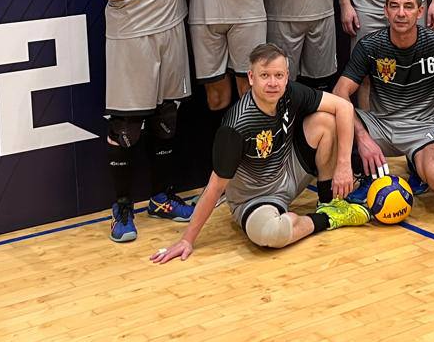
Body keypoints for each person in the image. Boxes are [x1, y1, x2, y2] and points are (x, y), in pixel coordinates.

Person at [149, 44, 368, 262]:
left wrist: (344, 165)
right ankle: (327, 219)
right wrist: (187, 240)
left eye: (278, 75)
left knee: (326, 121)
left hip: (288, 172)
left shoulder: (290, 92)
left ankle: (329, 202)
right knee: (270, 235)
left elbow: (344, 107)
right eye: (265, 75)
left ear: (287, 76)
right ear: (251, 77)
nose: (273, 83)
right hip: (255, 198)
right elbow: (214, 187)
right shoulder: (237, 126)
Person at [99, 0, 211, 238]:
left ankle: (162, 198)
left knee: (167, 118)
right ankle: (122, 208)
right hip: (131, 34)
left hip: (171, 30)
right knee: (127, 127)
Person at [333, 0, 434, 196]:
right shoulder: (369, 46)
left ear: (420, 11)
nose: (401, 13)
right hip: (380, 124)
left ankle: (416, 162)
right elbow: (339, 92)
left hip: (423, 127)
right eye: (394, 6)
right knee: (330, 119)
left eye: (408, 6)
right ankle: (368, 176)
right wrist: (362, 137)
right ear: (386, 11)